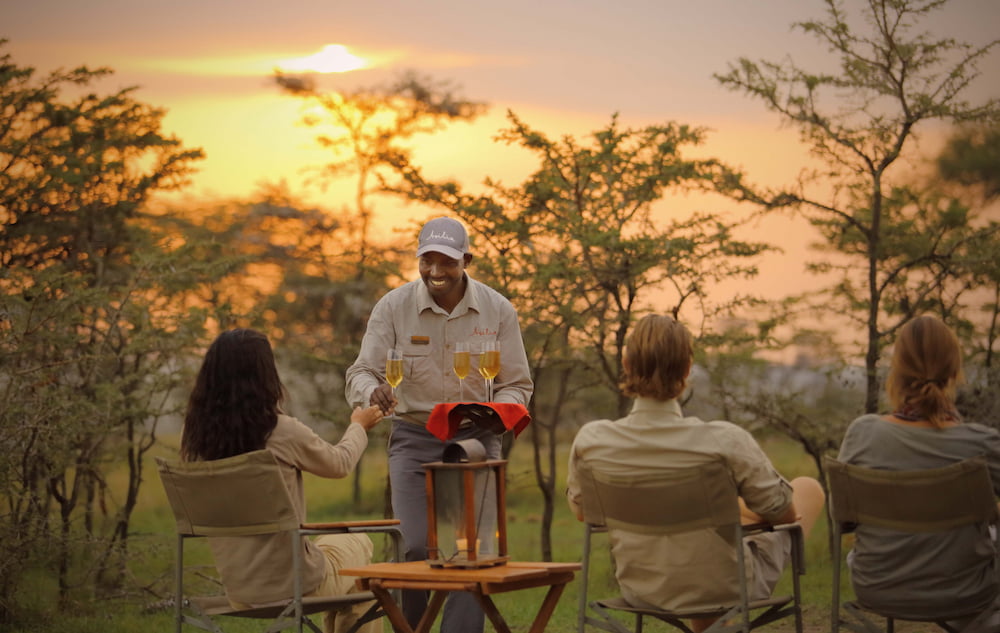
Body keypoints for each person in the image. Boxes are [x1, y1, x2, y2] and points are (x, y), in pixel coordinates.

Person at [566, 314, 824, 632]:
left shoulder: (592, 441)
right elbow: (784, 514)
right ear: (688, 368)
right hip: (725, 588)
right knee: (808, 488)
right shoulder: (724, 440)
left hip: (641, 589)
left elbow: (584, 512)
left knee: (707, 531)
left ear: (627, 364)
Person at [345, 216, 533, 633]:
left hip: (476, 440)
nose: (435, 272)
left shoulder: (498, 309)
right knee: (413, 545)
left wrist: (498, 412)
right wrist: (371, 392)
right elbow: (360, 372)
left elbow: (517, 385)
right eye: (426, 261)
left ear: (465, 259)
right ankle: (411, 628)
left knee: (475, 551)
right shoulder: (393, 308)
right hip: (414, 438)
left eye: (446, 262)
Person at [181, 328, 385, 633]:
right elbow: (340, 463)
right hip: (294, 586)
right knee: (363, 564)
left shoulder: (200, 439)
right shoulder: (279, 431)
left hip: (240, 591)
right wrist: (358, 425)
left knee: (334, 550)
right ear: (265, 374)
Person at [837, 314, 1000, 625]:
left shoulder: (863, 433)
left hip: (877, 588)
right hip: (965, 592)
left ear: (896, 371)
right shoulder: (980, 443)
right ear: (955, 371)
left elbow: (844, 522)